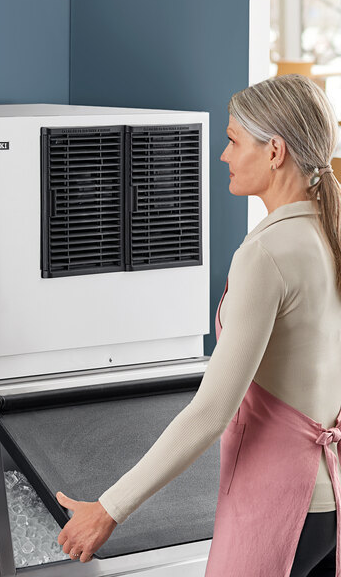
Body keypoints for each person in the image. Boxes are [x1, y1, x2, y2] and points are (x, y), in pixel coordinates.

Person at [55, 73, 341, 576]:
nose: (223, 156)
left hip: (278, 506)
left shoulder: (267, 253)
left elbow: (210, 412)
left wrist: (109, 509)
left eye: (233, 141)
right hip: (330, 506)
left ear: (275, 151)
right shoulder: (328, 234)